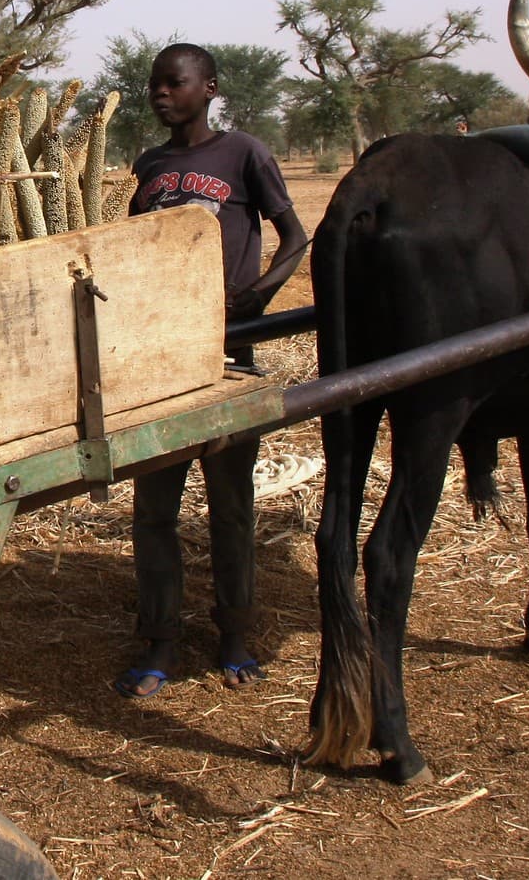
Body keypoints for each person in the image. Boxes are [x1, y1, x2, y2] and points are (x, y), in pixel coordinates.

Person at [114, 43, 307, 698]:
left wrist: (258, 295)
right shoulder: (150, 166)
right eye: (154, 85)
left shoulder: (244, 154)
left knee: (230, 507)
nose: (161, 94)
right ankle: (160, 641)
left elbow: (295, 237)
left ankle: (234, 635)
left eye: (175, 83)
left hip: (229, 355)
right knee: (155, 512)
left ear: (209, 87)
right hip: (159, 361)